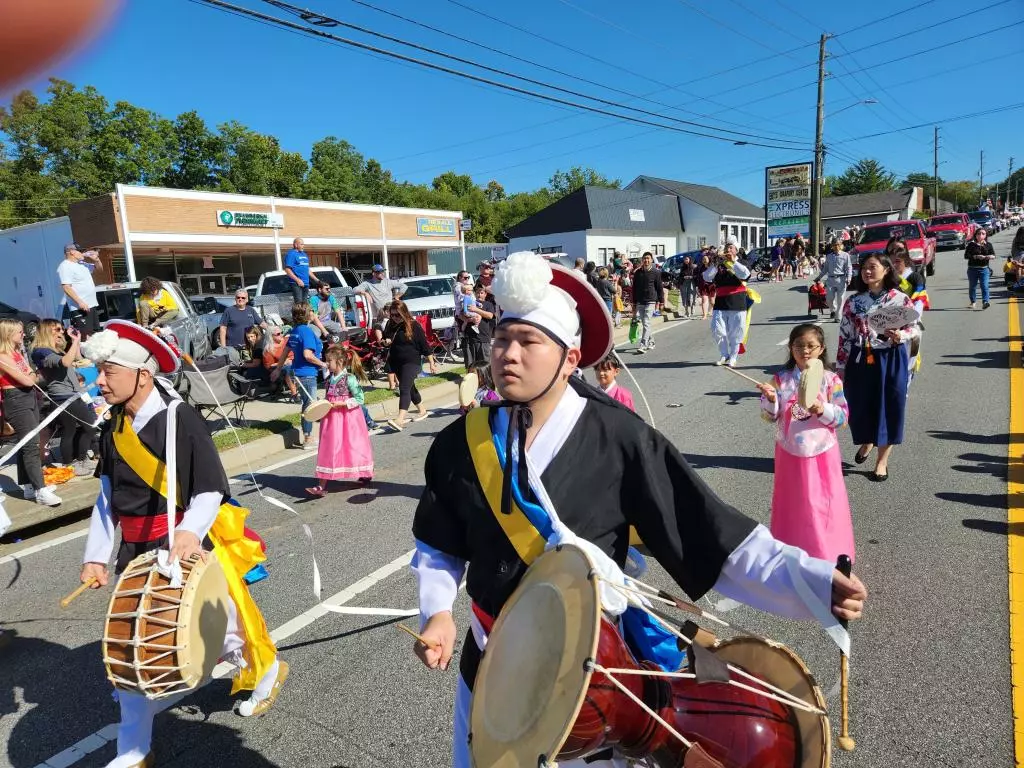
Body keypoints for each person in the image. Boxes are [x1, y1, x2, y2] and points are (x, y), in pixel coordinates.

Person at [409, 252, 867, 768]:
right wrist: (439, 612)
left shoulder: (620, 438)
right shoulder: (458, 445)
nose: (508, 354)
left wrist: (810, 580)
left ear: (570, 357)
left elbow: (710, 533)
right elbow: (439, 543)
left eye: (528, 341)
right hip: (492, 665)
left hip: (592, 675)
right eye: (501, 339)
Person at [78, 320, 288, 768]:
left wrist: (191, 532)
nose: (99, 381)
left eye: (107, 371)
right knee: (132, 641)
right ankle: (133, 751)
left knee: (224, 630)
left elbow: (210, 488)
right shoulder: (113, 426)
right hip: (134, 554)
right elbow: (105, 497)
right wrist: (96, 556)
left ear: (142, 374)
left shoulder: (182, 420)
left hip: (179, 541)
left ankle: (266, 670)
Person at [757, 324, 853, 563]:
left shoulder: (831, 380)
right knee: (793, 500)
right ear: (791, 348)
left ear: (821, 349)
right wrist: (771, 400)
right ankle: (791, 547)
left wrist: (822, 409)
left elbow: (842, 417)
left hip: (822, 451)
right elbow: (769, 417)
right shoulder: (781, 379)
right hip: (789, 450)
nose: (805, 351)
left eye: (811, 346)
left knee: (823, 500)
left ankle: (828, 549)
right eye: (799, 345)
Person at [836, 254, 920, 482]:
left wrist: (901, 334)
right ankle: (868, 440)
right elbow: (845, 335)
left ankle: (882, 461)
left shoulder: (900, 299)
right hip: (861, 357)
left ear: (886, 269)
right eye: (863, 268)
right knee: (861, 405)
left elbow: (915, 328)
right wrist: (840, 366)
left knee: (889, 406)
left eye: (872, 267)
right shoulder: (853, 301)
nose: (867, 271)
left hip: (891, 357)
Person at [0, 319, 61, 506]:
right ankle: (40, 490)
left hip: (28, 397)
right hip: (16, 399)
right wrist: (31, 375)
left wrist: (31, 375)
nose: (23, 335)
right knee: (31, 445)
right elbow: (28, 379)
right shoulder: (3, 356)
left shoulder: (16, 353)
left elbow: (33, 375)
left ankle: (28, 485)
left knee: (26, 443)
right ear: (8, 334)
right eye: (19, 332)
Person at [29, 320, 96, 475]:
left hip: (72, 394)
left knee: (72, 430)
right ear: (47, 331)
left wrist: (74, 342)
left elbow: (76, 358)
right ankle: (75, 461)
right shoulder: (41, 352)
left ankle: (76, 460)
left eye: (61, 328)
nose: (61, 331)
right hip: (63, 397)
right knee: (88, 427)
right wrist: (76, 342)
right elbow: (66, 362)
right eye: (57, 329)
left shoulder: (55, 350)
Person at [306, 344, 373, 496]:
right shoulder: (329, 379)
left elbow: (360, 399)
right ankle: (321, 485)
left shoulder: (349, 378)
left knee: (353, 446)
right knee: (328, 448)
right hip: (331, 420)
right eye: (326, 361)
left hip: (349, 419)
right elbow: (327, 399)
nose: (326, 364)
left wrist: (342, 403)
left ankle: (364, 472)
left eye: (329, 361)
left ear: (340, 361)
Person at [271, 304, 327, 450]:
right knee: (309, 406)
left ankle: (308, 435)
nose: (314, 313)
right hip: (307, 373)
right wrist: (323, 364)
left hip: (299, 373)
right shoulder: (306, 332)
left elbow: (286, 351)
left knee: (307, 404)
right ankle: (308, 438)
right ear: (307, 315)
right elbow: (308, 355)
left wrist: (278, 369)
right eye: (312, 311)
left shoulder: (295, 331)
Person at [383, 301, 438, 431]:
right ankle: (422, 410)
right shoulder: (390, 324)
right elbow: (385, 339)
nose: (395, 317)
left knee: (404, 388)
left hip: (412, 362)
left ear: (404, 313)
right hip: (396, 362)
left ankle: (400, 420)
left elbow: (424, 345)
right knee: (410, 388)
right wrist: (385, 342)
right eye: (392, 315)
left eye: (398, 315)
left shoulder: (414, 325)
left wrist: (431, 363)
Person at [704, 243, 752, 367]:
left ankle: (733, 356)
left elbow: (745, 275)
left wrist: (733, 262)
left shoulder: (742, 262)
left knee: (736, 331)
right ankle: (724, 354)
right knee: (717, 329)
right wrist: (715, 264)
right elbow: (707, 278)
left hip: (737, 301)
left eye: (731, 248)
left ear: (736, 250)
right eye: (726, 248)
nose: (728, 250)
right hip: (721, 301)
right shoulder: (719, 265)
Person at [57, 243, 103, 339]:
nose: (84, 253)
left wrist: (97, 260)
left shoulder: (82, 264)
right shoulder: (65, 266)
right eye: (81, 251)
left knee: (96, 334)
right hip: (80, 308)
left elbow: (99, 269)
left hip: (91, 305)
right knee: (85, 337)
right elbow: (66, 287)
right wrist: (80, 302)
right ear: (72, 252)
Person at [217, 289, 266, 363]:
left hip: (247, 347)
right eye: (238, 297)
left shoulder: (251, 310)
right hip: (232, 347)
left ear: (247, 299)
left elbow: (261, 323)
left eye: (243, 298)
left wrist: (273, 329)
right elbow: (223, 328)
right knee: (233, 367)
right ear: (235, 299)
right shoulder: (229, 311)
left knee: (245, 367)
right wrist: (223, 347)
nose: (240, 299)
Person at [630, 252, 663, 354]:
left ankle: (643, 344)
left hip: (651, 300)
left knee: (646, 321)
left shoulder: (656, 272)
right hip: (640, 300)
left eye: (648, 258)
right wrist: (634, 303)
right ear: (642, 260)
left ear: (651, 260)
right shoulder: (637, 273)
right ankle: (651, 341)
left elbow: (659, 288)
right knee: (645, 323)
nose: (646, 260)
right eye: (644, 258)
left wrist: (661, 301)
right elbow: (634, 288)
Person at [815, 239, 853, 321]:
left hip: (841, 279)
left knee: (840, 299)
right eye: (835, 245)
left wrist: (849, 278)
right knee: (829, 299)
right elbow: (825, 269)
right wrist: (819, 277)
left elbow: (849, 268)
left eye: (838, 244)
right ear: (832, 246)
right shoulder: (829, 256)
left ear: (841, 245)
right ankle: (833, 310)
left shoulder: (845, 255)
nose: (837, 246)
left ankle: (838, 316)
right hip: (831, 280)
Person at [464, 283, 496, 368]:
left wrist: (476, 310)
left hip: (483, 338)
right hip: (470, 338)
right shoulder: (470, 302)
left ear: (485, 294)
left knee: (485, 365)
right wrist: (469, 319)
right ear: (474, 293)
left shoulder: (488, 304)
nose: (479, 295)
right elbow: (461, 314)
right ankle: (473, 380)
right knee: (472, 366)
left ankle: (486, 380)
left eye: (481, 293)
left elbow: (490, 315)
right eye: (477, 293)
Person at [964, 227, 995, 310]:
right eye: (979, 233)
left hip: (984, 269)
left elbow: (993, 255)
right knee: (972, 286)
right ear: (975, 235)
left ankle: (985, 302)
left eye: (983, 234)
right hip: (972, 269)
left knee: (984, 286)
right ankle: (973, 302)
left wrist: (989, 256)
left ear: (985, 235)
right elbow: (966, 256)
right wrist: (976, 256)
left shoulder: (988, 244)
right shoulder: (971, 245)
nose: (980, 235)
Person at [262, 326, 297, 399]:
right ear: (271, 336)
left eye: (282, 333)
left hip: (295, 362)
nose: (281, 335)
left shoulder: (287, 341)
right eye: (278, 334)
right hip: (281, 369)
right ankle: (294, 393)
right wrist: (283, 362)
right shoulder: (268, 350)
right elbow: (269, 366)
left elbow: (295, 353)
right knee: (287, 369)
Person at [283, 237, 319, 305]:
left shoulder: (304, 254)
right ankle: (299, 316)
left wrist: (316, 280)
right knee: (299, 305)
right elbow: (287, 269)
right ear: (296, 245)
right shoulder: (291, 254)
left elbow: (307, 269)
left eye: (303, 244)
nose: (303, 246)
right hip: (296, 284)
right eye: (301, 244)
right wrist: (297, 280)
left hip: (306, 283)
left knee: (305, 304)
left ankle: (305, 315)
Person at [696, 252, 715, 320]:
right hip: (703, 286)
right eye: (703, 259)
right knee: (704, 299)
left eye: (705, 259)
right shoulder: (701, 267)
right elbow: (699, 277)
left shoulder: (712, 267)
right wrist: (698, 286)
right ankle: (704, 315)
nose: (704, 260)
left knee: (712, 301)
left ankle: (717, 312)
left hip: (711, 286)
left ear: (709, 259)